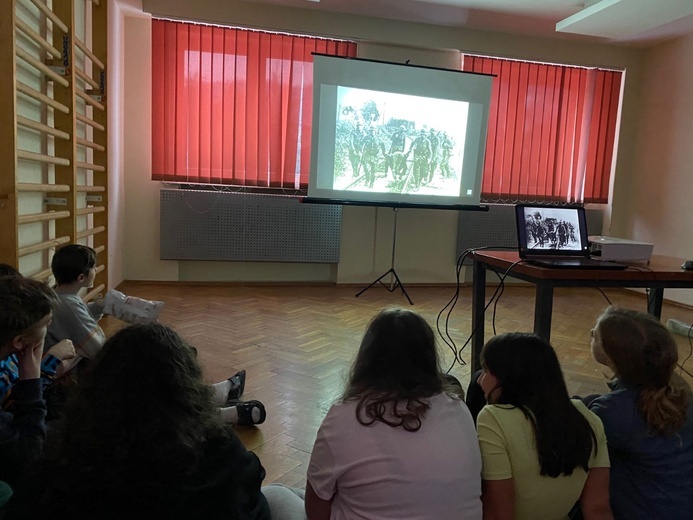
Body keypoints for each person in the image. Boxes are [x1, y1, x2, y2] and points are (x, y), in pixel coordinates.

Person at [6, 323, 271, 519]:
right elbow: (252, 507)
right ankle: (219, 397)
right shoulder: (219, 451)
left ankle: (222, 395)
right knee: (282, 495)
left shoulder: (63, 454)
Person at [45, 244, 265, 425]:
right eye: (93, 267)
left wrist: (100, 306)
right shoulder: (70, 307)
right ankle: (213, 412)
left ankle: (208, 397)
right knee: (151, 373)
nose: (96, 270)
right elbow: (99, 351)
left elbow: (77, 325)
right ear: (82, 277)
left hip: (74, 373)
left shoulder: (62, 299)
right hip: (74, 381)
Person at [305, 308, 482, 519]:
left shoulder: (343, 416)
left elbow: (315, 507)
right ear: (429, 359)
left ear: (368, 358)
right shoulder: (459, 410)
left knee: (277, 494)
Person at [476, 332, 612, 520]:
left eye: (485, 370)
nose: (479, 379)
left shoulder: (492, 419)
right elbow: (598, 509)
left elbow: (500, 515)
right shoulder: (587, 417)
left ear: (509, 378)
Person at [587, 307, 693, 520]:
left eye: (596, 336)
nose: (591, 333)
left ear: (611, 356)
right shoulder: (680, 391)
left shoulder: (611, 413)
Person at [0, 275, 71, 487]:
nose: (48, 329)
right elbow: (28, 454)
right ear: (20, 341)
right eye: (47, 323)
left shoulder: (11, 353)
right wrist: (32, 378)